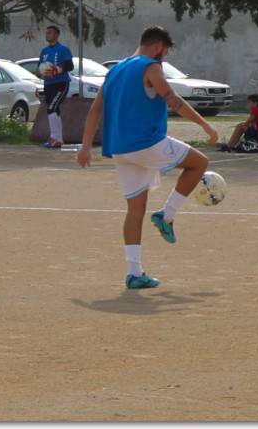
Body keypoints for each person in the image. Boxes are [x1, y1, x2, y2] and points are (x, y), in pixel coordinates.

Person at [76, 25, 219, 289]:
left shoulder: (115, 70)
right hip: (145, 142)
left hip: (119, 149)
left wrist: (85, 146)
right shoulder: (151, 66)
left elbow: (95, 111)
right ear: (158, 47)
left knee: (134, 210)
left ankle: (134, 272)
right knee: (199, 163)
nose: (164, 58)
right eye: (165, 52)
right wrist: (205, 125)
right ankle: (167, 215)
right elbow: (173, 100)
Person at [38, 25, 74, 148]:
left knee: (51, 108)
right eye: (46, 33)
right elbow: (40, 67)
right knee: (54, 109)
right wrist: (41, 71)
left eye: (50, 33)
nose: (47, 35)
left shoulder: (63, 49)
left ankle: (53, 137)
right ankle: (59, 139)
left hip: (61, 83)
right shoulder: (44, 51)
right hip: (48, 84)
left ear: (57, 35)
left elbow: (70, 66)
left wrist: (58, 70)